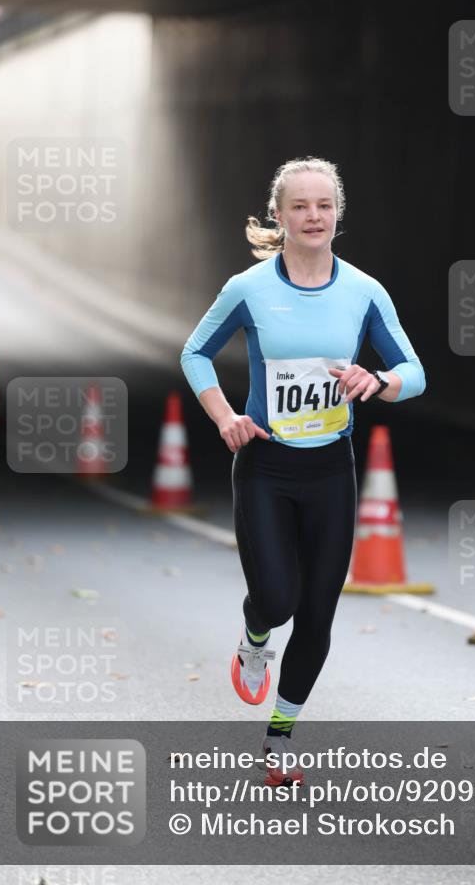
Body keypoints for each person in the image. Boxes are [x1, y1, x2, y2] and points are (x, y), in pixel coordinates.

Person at [180, 157, 425, 785]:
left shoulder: (364, 292)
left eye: (324, 205)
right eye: (300, 206)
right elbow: (196, 352)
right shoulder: (248, 288)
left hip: (330, 471)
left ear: (338, 214)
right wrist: (225, 417)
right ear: (279, 215)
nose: (313, 216)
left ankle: (279, 740)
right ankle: (254, 637)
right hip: (265, 465)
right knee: (277, 600)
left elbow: (415, 373)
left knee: (317, 613)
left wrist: (379, 379)